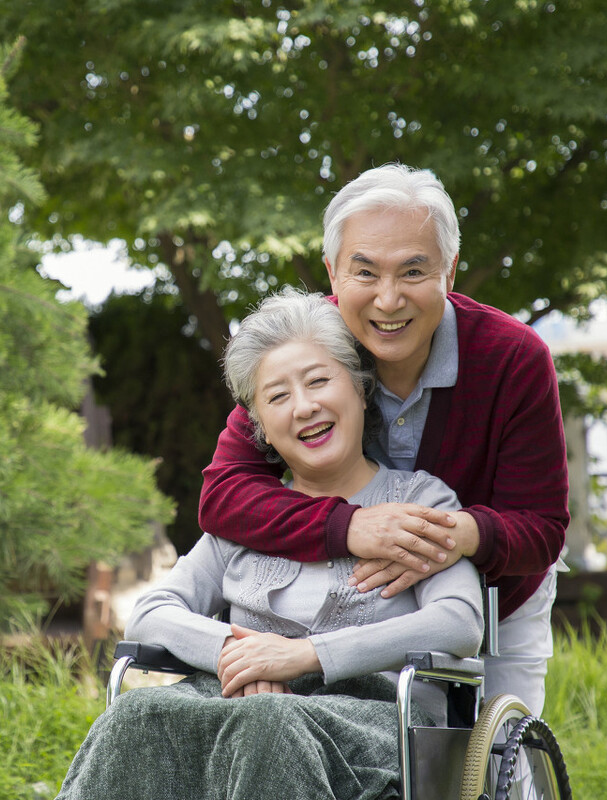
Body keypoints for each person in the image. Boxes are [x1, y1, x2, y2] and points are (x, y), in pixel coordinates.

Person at [56, 289, 484, 800]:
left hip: (372, 718)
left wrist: (303, 656)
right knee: (137, 713)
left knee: (269, 724)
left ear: (360, 390)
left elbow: (459, 623)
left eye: (319, 381)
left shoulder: (418, 501)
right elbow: (151, 611)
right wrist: (240, 655)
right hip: (234, 704)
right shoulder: (251, 514)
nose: (304, 407)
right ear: (260, 427)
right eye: (278, 396)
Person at [199, 163, 570, 715]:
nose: (388, 300)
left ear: (449, 272)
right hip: (333, 603)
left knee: (495, 766)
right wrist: (350, 525)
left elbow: (541, 528)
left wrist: (445, 535)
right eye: (365, 273)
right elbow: (224, 494)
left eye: (413, 272)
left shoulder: (512, 358)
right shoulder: (305, 348)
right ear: (332, 273)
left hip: (489, 599)